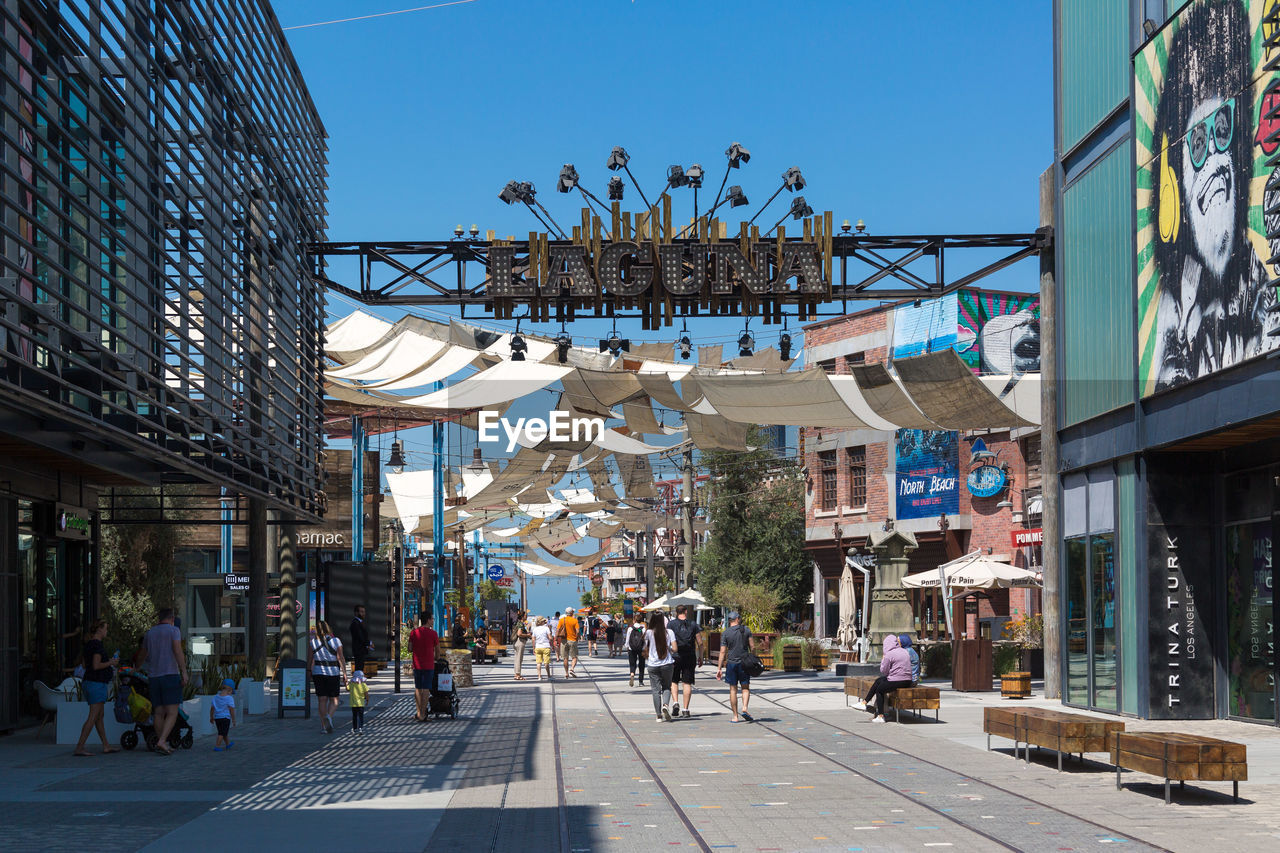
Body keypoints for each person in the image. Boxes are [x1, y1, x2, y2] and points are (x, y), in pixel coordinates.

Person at [1148, 0, 1278, 392]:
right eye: (1199, 143)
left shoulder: (1261, 286)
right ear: (1176, 179)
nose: (1216, 159)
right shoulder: (1172, 309)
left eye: (1223, 131)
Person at [136, 608, 187, 755]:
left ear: (159, 619)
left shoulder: (150, 633)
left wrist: (136, 668)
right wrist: (183, 671)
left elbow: (142, 653)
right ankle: (162, 741)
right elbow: (177, 650)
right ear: (172, 619)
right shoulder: (173, 631)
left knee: (158, 712)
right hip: (170, 674)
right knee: (172, 712)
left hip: (154, 677)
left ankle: (161, 741)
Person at [73, 619, 120, 756]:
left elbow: (85, 665)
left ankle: (106, 745)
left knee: (99, 716)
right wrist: (111, 662)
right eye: (105, 628)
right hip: (96, 683)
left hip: (90, 682)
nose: (107, 631)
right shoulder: (97, 646)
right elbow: (96, 665)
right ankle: (80, 747)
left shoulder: (89, 645)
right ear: (99, 629)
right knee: (93, 716)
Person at [857, 634, 913, 723]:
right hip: (907, 680)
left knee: (879, 690)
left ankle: (880, 716)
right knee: (879, 681)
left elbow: (884, 670)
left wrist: (884, 659)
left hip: (897, 680)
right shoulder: (904, 651)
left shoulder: (889, 654)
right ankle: (864, 702)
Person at [715, 610, 755, 723]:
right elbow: (752, 647)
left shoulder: (726, 633)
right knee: (745, 688)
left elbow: (722, 652)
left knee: (733, 689)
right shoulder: (746, 630)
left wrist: (719, 668)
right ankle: (745, 708)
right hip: (744, 663)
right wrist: (753, 657)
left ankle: (735, 716)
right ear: (737, 619)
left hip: (731, 664)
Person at [307, 621, 346, 733]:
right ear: (328, 628)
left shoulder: (313, 642)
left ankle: (324, 726)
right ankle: (328, 717)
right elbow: (340, 658)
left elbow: (310, 659)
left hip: (318, 672)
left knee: (322, 700)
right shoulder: (336, 641)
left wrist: (308, 671)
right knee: (334, 700)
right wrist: (345, 674)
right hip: (332, 672)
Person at [667, 604, 704, 718]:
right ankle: (686, 709)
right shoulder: (693, 624)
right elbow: (700, 642)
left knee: (674, 680)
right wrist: (701, 657)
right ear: (686, 612)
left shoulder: (671, 624)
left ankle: (675, 702)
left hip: (675, 656)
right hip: (690, 656)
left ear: (676, 613)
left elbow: (667, 640)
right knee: (687, 683)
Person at [645, 611, 677, 722]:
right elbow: (675, 649)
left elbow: (643, 647)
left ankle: (658, 716)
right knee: (667, 687)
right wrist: (668, 648)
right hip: (667, 664)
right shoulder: (670, 632)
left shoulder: (648, 633)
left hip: (653, 664)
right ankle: (665, 705)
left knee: (655, 690)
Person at [408, 612, 439, 721]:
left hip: (417, 664)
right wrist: (436, 658)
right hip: (429, 664)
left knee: (418, 688)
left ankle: (418, 713)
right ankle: (423, 714)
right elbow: (438, 652)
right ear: (428, 620)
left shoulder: (413, 633)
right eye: (432, 619)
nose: (433, 621)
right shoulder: (433, 634)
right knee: (426, 688)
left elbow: (410, 648)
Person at [210, 678, 236, 751]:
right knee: (221, 733)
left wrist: (211, 717)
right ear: (230, 690)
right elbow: (232, 710)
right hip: (225, 718)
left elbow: (212, 708)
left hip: (217, 718)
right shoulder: (229, 698)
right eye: (231, 691)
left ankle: (228, 744)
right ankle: (217, 746)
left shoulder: (215, 697)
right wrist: (233, 719)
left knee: (223, 732)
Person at [350, 605, 373, 678]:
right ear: (356, 613)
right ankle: (358, 681)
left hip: (361, 649)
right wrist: (369, 643)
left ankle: (359, 680)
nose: (364, 614)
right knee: (359, 666)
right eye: (362, 612)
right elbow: (360, 636)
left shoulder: (359, 622)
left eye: (364, 612)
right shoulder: (355, 623)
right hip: (358, 649)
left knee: (360, 666)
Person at [559, 607, 581, 677]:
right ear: (571, 613)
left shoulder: (561, 620)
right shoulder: (575, 621)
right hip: (572, 640)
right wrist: (577, 638)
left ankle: (566, 673)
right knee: (574, 657)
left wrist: (556, 639)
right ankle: (572, 669)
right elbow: (577, 631)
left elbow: (558, 630)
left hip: (564, 641)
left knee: (565, 658)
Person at [532, 615, 554, 681]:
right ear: (542, 622)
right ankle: (549, 675)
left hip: (538, 647)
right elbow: (550, 638)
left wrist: (533, 648)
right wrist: (552, 644)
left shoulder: (535, 629)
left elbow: (533, 639)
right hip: (546, 646)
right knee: (546, 662)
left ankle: (539, 676)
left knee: (538, 663)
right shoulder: (546, 628)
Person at [627, 613, 647, 687]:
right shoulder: (643, 629)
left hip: (631, 648)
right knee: (641, 664)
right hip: (641, 648)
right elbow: (645, 640)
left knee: (632, 663)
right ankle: (641, 681)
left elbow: (628, 639)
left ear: (634, 620)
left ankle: (632, 673)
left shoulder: (630, 628)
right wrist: (645, 647)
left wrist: (627, 646)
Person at [513, 609, 531, 680]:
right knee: (519, 659)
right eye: (525, 615)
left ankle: (516, 674)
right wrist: (527, 635)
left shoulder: (518, 623)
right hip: (520, 642)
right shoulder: (520, 623)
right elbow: (519, 634)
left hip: (516, 642)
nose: (526, 617)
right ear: (522, 616)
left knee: (517, 658)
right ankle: (518, 674)